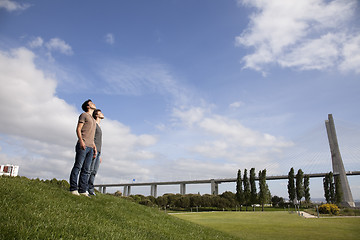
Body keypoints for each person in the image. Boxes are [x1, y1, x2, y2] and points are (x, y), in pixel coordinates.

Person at [69, 99, 97, 196]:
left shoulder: (93, 119)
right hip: (83, 144)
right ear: (88, 106)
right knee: (78, 166)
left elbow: (92, 135)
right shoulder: (84, 115)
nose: (94, 104)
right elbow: (78, 129)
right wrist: (81, 140)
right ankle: (73, 188)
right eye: (91, 103)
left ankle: (82, 190)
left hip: (90, 147)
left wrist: (94, 147)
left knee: (86, 170)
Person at [88, 109, 104, 196]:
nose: (102, 114)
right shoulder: (94, 124)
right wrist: (94, 149)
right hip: (94, 150)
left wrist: (99, 154)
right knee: (89, 170)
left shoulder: (99, 126)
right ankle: (84, 188)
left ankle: (91, 190)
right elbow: (91, 137)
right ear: (96, 115)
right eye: (100, 112)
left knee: (94, 171)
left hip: (98, 152)